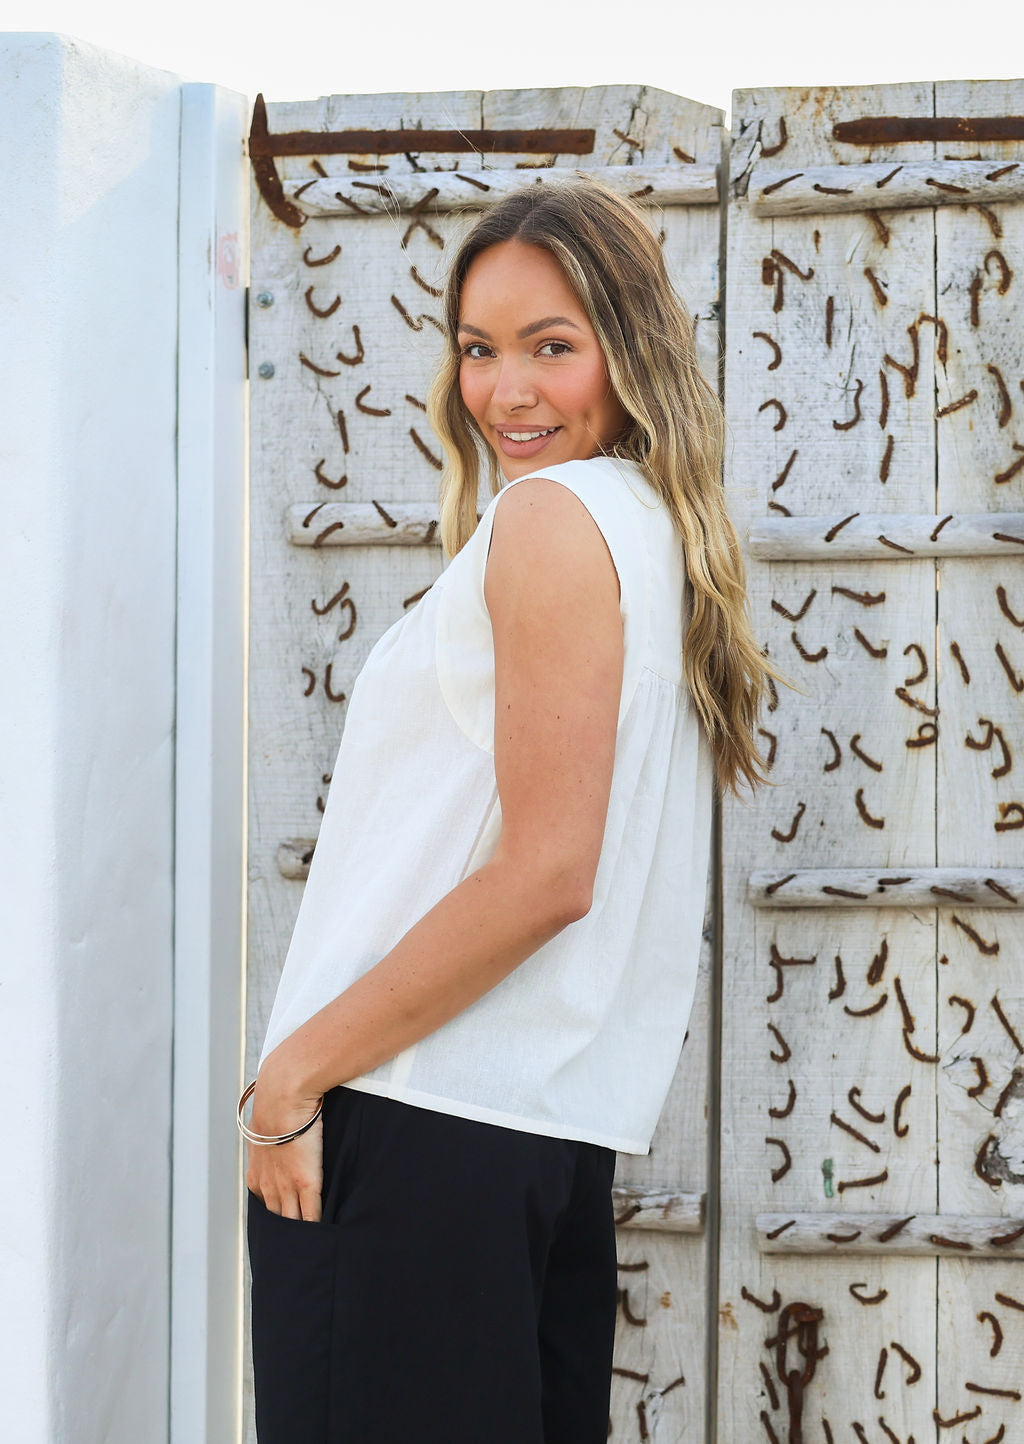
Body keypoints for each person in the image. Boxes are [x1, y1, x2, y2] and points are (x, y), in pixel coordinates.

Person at [240, 173, 793, 1443]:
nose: (509, 391)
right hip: (536, 1146)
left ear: (628, 349)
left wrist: (291, 1077)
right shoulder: (654, 538)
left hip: (414, 1129)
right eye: (480, 350)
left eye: (554, 346)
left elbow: (550, 870)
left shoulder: (547, 524)